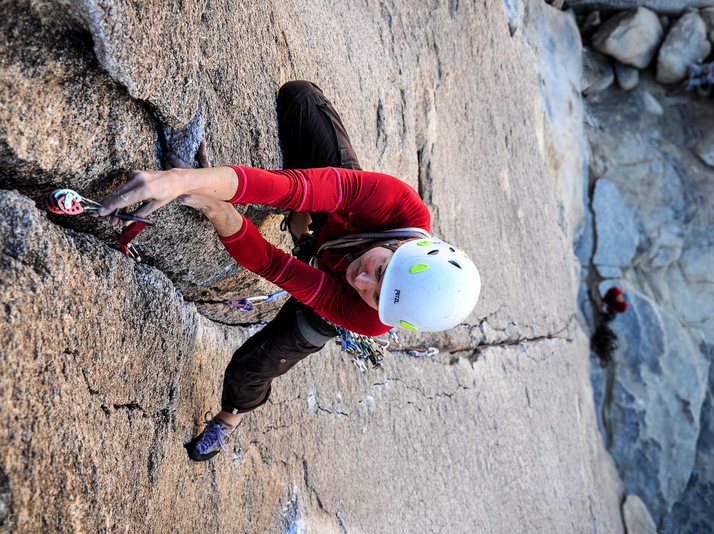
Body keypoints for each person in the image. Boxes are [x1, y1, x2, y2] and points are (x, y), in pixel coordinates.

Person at [98, 81, 481, 461]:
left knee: (251, 366)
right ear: (404, 245)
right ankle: (312, 228)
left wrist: (215, 206)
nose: (361, 281)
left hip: (329, 297)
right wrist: (187, 180)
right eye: (382, 270)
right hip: (347, 221)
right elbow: (292, 189)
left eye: (376, 295)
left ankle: (230, 419)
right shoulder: (399, 208)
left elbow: (273, 264)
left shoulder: (369, 316)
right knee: (300, 100)